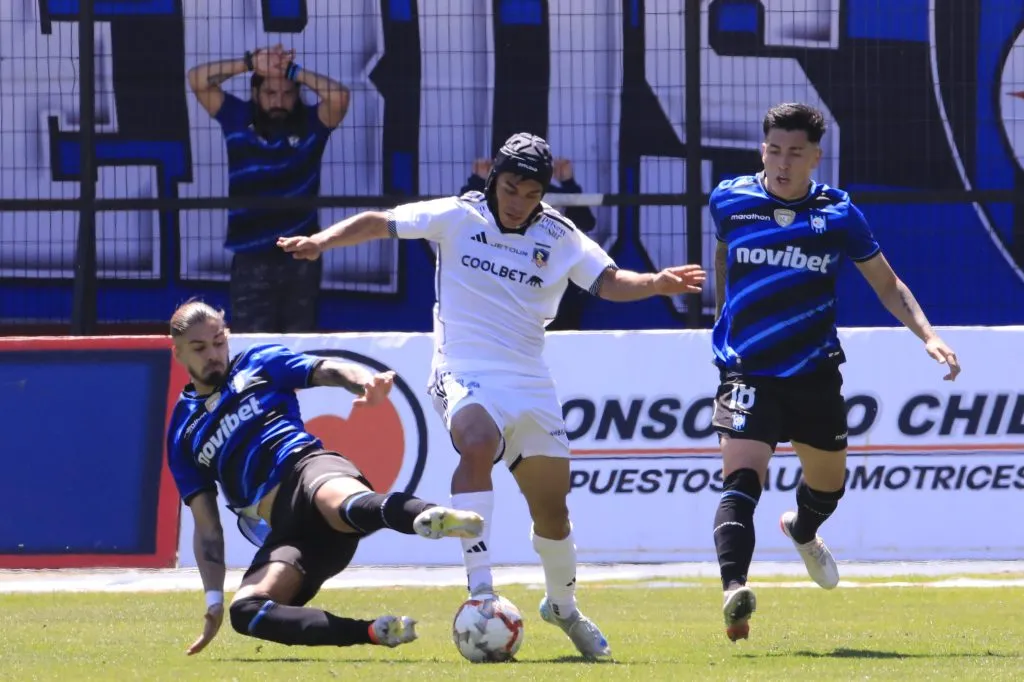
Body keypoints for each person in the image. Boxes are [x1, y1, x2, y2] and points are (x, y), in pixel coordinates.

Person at [279, 132, 706, 660]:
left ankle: (563, 608)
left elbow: (609, 280)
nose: (519, 201)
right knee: (477, 440)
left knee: (553, 513)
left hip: (529, 381)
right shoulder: (457, 216)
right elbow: (378, 222)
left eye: (531, 193)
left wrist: (655, 283)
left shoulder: (560, 234)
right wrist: (321, 242)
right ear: (493, 180)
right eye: (510, 188)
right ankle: (481, 590)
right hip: (462, 368)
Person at [708, 102, 962, 642]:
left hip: (813, 373)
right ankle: (735, 591)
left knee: (828, 487)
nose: (783, 162)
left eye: (795, 153)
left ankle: (802, 530)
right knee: (741, 479)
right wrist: (721, 310)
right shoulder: (730, 199)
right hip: (748, 370)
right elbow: (724, 257)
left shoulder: (838, 214)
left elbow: (887, 285)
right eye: (774, 150)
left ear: (815, 157)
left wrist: (929, 335)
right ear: (762, 150)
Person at [166, 299, 483, 655]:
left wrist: (363, 381)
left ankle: (429, 516)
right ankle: (373, 631)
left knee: (343, 503)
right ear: (178, 352)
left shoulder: (259, 363)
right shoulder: (182, 432)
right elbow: (208, 529)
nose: (213, 354)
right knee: (247, 612)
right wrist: (213, 599)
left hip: (307, 469)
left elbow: (327, 369)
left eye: (218, 342)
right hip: (291, 533)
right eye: (199, 348)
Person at [188, 44, 350, 333]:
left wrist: (294, 72)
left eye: (287, 94)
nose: (279, 101)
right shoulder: (237, 117)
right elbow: (197, 79)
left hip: (301, 253)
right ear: (255, 94)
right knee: (252, 344)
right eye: (270, 93)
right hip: (250, 256)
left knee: (299, 344)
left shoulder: (312, 123)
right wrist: (249, 63)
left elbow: (340, 97)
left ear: (297, 95)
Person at [459, 156, 597, 331]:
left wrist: (568, 183)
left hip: (548, 289)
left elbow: (585, 223)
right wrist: (478, 181)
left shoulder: (550, 195)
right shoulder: (492, 198)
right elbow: (462, 217)